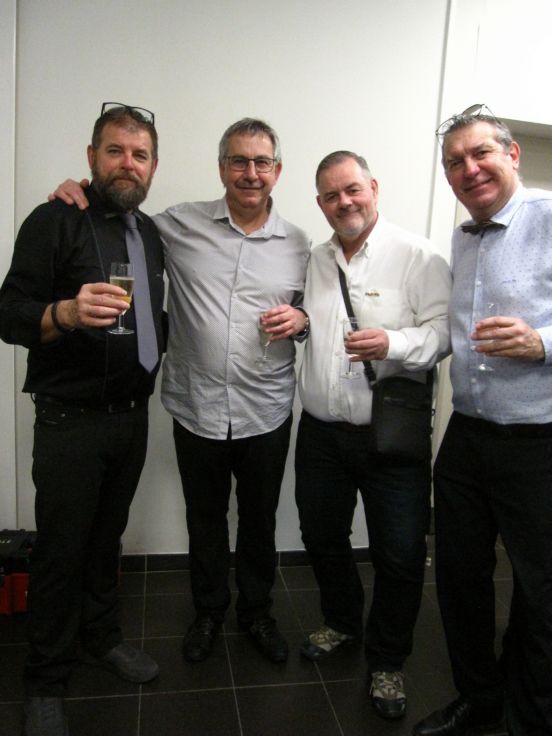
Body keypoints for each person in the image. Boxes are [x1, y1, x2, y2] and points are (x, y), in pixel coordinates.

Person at [52, 118, 310, 666]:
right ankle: (209, 611)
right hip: (198, 406)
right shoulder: (176, 225)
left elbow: (317, 309)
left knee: (260, 520)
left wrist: (303, 318)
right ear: (221, 167)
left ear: (277, 170)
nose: (250, 173)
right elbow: (120, 210)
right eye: (238, 161)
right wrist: (78, 189)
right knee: (204, 517)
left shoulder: (299, 243)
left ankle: (257, 612)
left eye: (261, 162)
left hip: (266, 408)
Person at [0, 103, 165, 736]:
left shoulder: (150, 233)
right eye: (115, 150)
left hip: (131, 417)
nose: (128, 163)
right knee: (61, 552)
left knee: (105, 541)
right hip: (70, 421)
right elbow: (9, 313)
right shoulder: (54, 220)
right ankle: (44, 680)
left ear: (153, 167)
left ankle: (102, 637)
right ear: (91, 157)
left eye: (140, 154)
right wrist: (65, 313)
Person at [294, 151, 451, 721]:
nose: (345, 202)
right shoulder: (316, 259)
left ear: (373, 188)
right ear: (320, 204)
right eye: (332, 196)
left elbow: (444, 333)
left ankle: (387, 659)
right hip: (320, 434)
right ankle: (341, 621)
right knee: (321, 537)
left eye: (352, 190)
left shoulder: (418, 255)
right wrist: (300, 324)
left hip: (391, 437)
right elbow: (312, 323)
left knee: (401, 554)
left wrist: (393, 344)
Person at [412, 106, 552, 736]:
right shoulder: (462, 237)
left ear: (511, 154)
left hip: (538, 441)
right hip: (467, 435)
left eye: (480, 154)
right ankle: (480, 698)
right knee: (460, 579)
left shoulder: (548, 217)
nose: (468, 169)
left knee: (541, 592)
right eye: (454, 162)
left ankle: (532, 717)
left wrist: (543, 342)